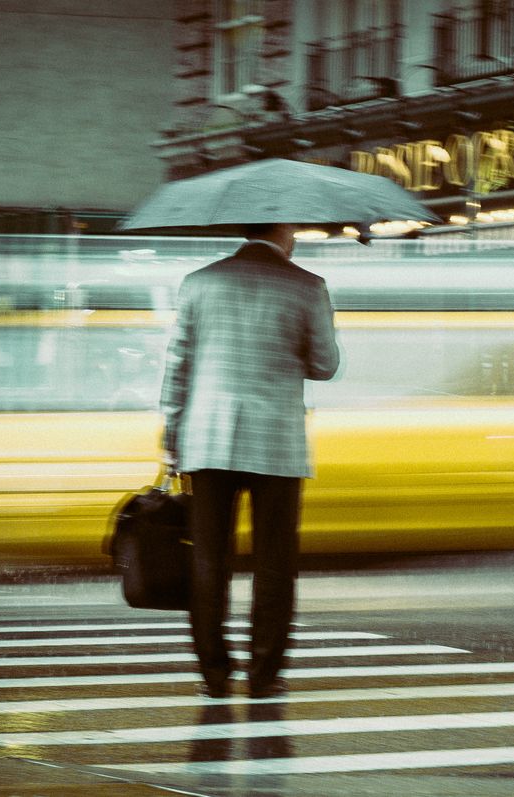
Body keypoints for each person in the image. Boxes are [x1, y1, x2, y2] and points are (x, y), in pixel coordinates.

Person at [160, 222, 340, 699]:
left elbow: (178, 364)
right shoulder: (307, 285)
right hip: (275, 442)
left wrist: (171, 437)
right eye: (294, 229)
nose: (297, 236)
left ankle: (214, 673)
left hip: (207, 439)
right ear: (281, 231)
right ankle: (265, 674)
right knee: (275, 563)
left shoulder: (199, 281)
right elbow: (325, 365)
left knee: (208, 561)